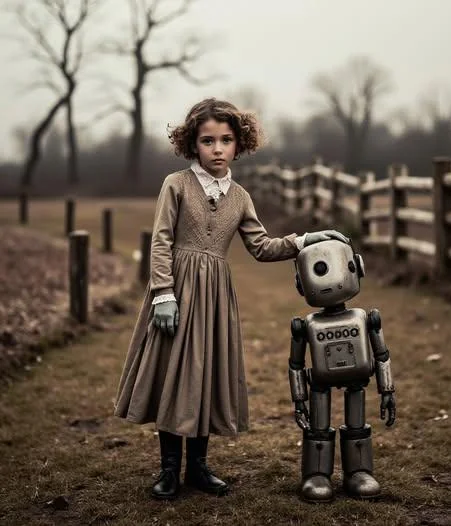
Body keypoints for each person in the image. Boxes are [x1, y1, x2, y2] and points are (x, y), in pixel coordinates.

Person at [113, 97, 349, 500]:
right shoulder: (176, 185)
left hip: (215, 298)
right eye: (208, 141)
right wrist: (163, 294)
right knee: (175, 375)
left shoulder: (239, 196)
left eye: (226, 140)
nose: (217, 149)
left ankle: (199, 468)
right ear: (193, 144)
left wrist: (306, 239)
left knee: (205, 375)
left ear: (239, 144)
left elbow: (261, 246)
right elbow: (161, 241)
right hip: (178, 291)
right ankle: (169, 470)